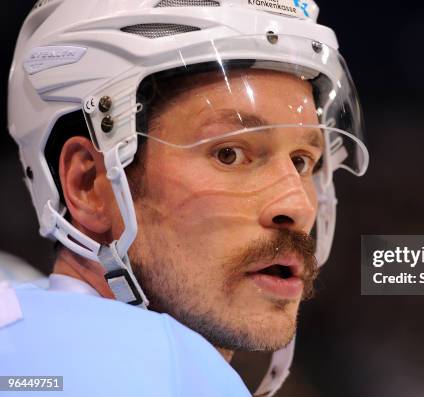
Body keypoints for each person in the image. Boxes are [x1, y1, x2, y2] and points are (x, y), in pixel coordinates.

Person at [1, 0, 368, 395]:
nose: (296, 206)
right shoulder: (166, 367)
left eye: (302, 162)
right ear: (89, 184)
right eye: (230, 154)